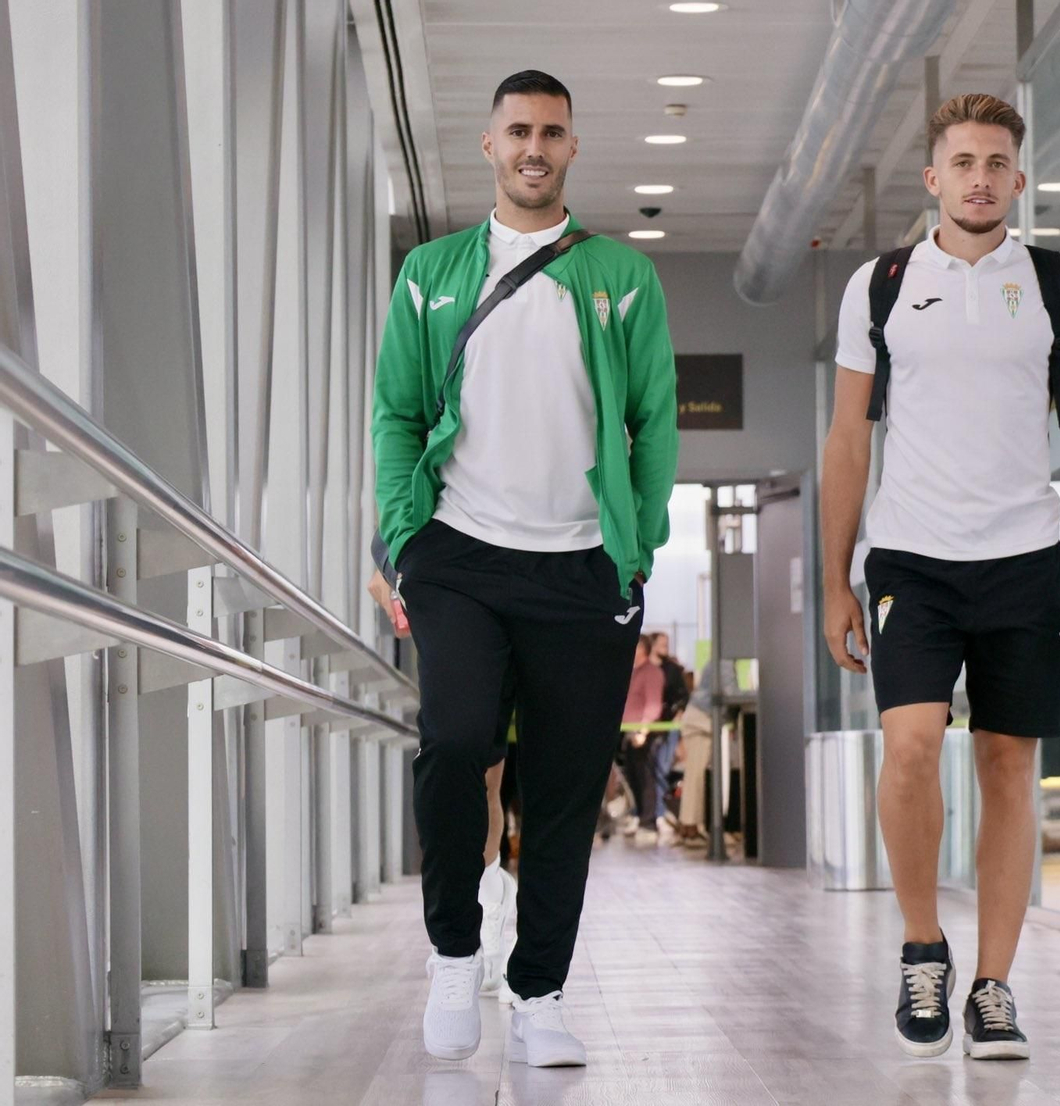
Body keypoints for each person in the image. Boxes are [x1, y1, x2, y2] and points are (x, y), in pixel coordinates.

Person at [370, 69, 678, 1068]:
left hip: (582, 566)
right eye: (518, 131)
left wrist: (637, 545)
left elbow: (652, 424)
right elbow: (398, 414)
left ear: (572, 148)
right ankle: (454, 948)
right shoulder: (431, 271)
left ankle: (538, 986)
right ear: (489, 145)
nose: (535, 146)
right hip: (459, 554)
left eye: (552, 130)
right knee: (455, 742)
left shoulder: (622, 278)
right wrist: (403, 537)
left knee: (561, 786)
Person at [821, 93, 1060, 1063]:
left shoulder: (1055, 283)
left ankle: (993, 986)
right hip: (910, 557)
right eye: (963, 162)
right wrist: (835, 580)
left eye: (996, 163)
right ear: (932, 176)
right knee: (910, 746)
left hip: (1022, 561)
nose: (979, 179)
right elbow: (845, 438)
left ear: (1018, 178)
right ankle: (924, 943)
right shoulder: (879, 285)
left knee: (1009, 765)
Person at [365, 569, 518, 1003]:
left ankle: (491, 893)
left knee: (490, 777)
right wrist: (386, 554)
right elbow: (404, 499)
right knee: (462, 762)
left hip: (539, 577)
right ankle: (478, 911)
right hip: (459, 585)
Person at [619, 636, 666, 843]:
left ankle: (649, 822)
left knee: (646, 778)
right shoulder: (631, 671)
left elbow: (653, 704)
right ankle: (640, 816)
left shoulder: (652, 673)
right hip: (628, 732)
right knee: (633, 777)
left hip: (644, 734)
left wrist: (643, 730)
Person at [649, 632, 690, 840]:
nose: (665, 647)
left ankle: (661, 813)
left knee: (662, 768)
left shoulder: (673, 670)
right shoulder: (644, 669)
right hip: (649, 726)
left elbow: (682, 696)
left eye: (667, 644)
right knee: (652, 769)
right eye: (662, 643)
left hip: (669, 725)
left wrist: (678, 716)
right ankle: (656, 813)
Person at [674, 663, 716, 848]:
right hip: (702, 722)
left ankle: (688, 825)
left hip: (695, 719)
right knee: (696, 777)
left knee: (693, 776)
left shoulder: (712, 662)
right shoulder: (724, 661)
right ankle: (691, 827)